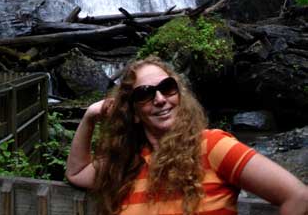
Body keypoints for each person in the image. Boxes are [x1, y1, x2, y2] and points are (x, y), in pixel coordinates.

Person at [66, 55, 308, 215]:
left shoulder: (213, 146)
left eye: (167, 88)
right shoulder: (125, 163)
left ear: (179, 96)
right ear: (135, 112)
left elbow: (299, 197)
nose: (160, 99)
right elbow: (76, 173)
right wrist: (89, 117)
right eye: (145, 94)